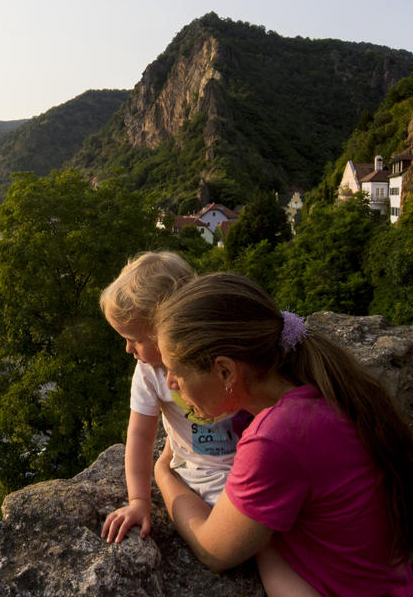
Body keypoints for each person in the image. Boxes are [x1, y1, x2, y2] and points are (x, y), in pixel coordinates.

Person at [152, 273, 413, 597]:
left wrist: (163, 473)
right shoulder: (317, 388)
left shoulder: (277, 438)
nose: (170, 382)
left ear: (226, 371)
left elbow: (214, 549)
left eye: (176, 371)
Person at [96, 253, 297, 592]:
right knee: (267, 545)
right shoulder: (148, 374)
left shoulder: (219, 360)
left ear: (165, 328)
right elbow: (140, 437)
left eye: (134, 338)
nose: (128, 349)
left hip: (251, 468)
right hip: (199, 475)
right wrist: (139, 501)